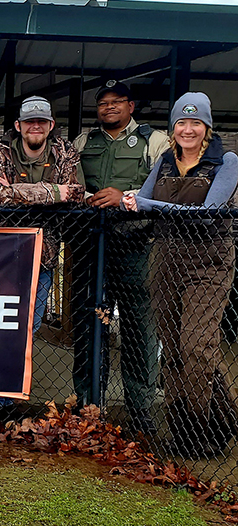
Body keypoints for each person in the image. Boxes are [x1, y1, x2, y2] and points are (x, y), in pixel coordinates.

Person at [123, 92, 238, 457]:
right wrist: (129, 201)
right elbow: (141, 203)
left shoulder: (226, 162)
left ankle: (210, 427)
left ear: (207, 127)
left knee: (197, 346)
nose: (188, 130)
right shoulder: (164, 161)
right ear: (173, 128)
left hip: (209, 262)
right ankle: (182, 429)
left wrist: (145, 202)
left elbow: (207, 213)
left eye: (196, 123)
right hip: (167, 259)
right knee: (172, 349)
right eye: (181, 123)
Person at [72, 80, 170, 436]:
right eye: (103, 102)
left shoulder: (154, 141)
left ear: (131, 106)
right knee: (89, 325)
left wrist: (125, 196)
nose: (109, 107)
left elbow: (164, 187)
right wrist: (87, 197)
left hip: (136, 245)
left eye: (117, 101)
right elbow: (70, 182)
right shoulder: (83, 143)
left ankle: (141, 409)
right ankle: (88, 404)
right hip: (91, 245)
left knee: (138, 328)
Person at [0, 96, 85, 427]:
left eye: (41, 121)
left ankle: (7, 397)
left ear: (51, 125)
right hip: (1, 259)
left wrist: (17, 190)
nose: (35, 126)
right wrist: (53, 193)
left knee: (27, 330)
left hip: (43, 257)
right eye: (29, 121)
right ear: (18, 125)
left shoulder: (65, 152)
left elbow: (76, 194)